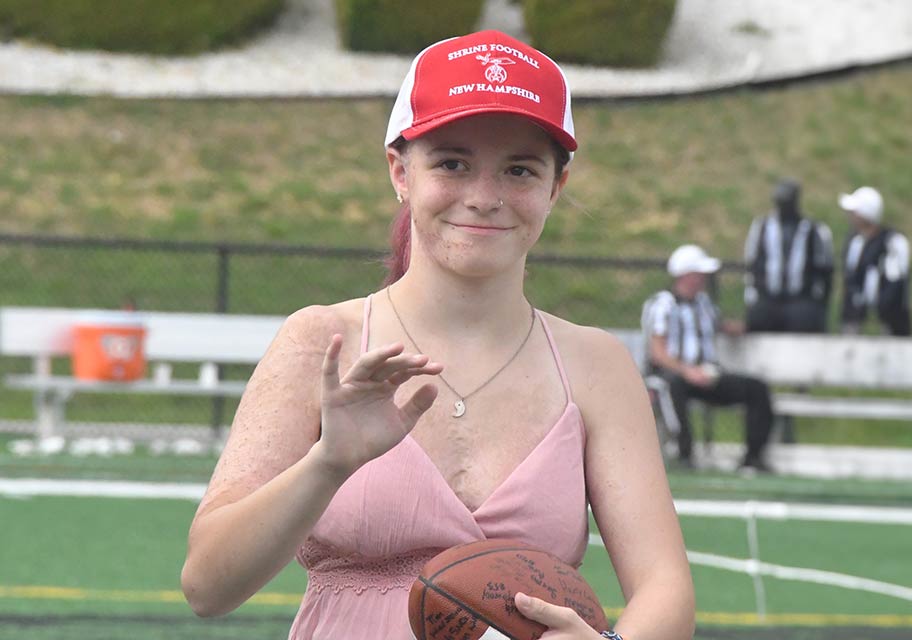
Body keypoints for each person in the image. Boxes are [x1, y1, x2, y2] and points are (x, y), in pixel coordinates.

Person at [180, 30, 695, 639]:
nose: (484, 197)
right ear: (401, 171)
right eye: (452, 163)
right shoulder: (324, 342)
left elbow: (666, 590)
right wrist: (327, 464)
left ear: (556, 187)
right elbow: (208, 585)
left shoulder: (595, 365)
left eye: (520, 170)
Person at [641, 244, 774, 472]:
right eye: (698, 274)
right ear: (686, 275)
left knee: (756, 389)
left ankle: (753, 458)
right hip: (675, 375)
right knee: (673, 387)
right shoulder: (663, 305)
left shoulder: (704, 304)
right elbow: (658, 352)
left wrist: (754, 323)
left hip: (706, 373)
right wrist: (687, 371)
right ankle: (684, 454)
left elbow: (720, 327)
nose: (703, 278)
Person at [744, 177, 834, 333]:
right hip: (768, 298)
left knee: (805, 317)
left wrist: (820, 303)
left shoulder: (814, 230)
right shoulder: (761, 227)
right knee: (759, 316)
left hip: (801, 300)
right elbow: (751, 262)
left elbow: (825, 271)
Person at [838, 186, 912, 336]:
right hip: (855, 320)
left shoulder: (893, 243)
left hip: (889, 323)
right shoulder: (855, 242)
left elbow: (895, 283)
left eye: (855, 212)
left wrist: (877, 310)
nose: (851, 216)